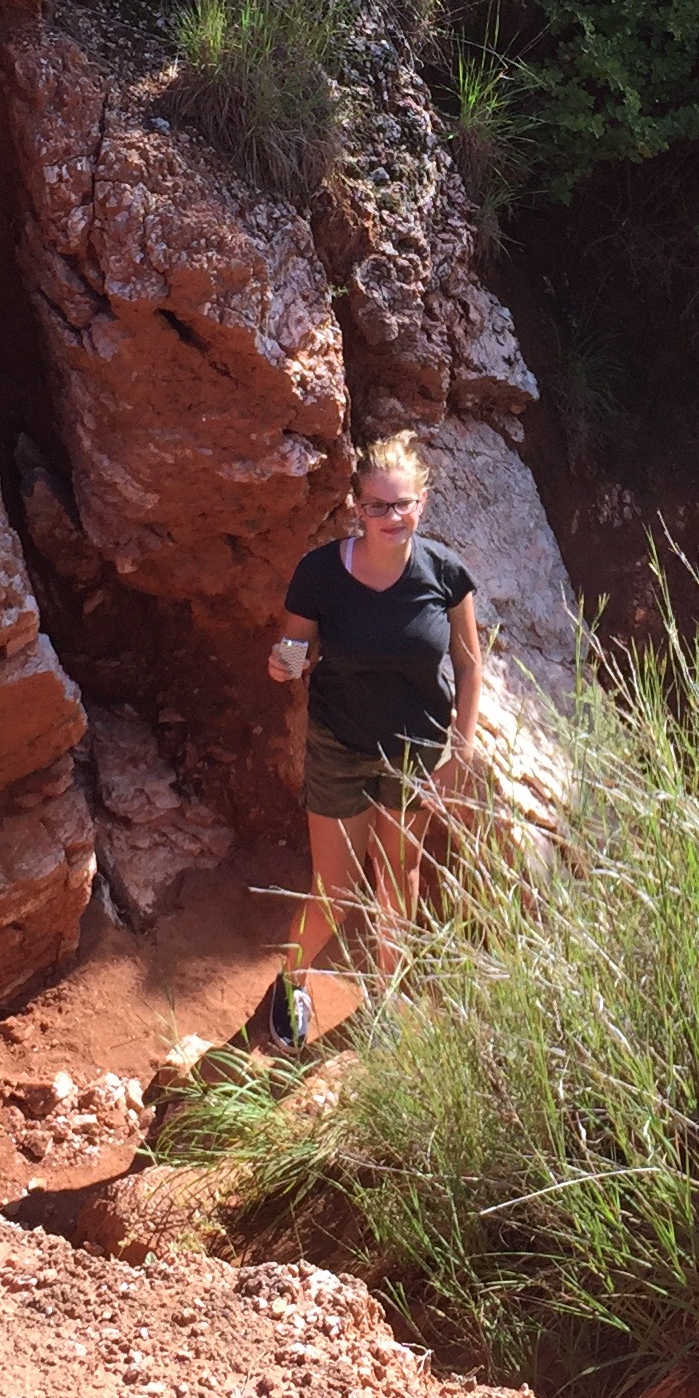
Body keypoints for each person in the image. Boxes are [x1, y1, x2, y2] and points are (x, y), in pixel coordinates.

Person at [261, 431, 483, 1044]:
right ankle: (292, 980)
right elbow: (295, 646)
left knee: (399, 877)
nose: (392, 516)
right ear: (357, 508)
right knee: (334, 887)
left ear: (423, 503)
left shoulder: (446, 575)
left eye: (403, 503)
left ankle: (385, 996)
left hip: (417, 751)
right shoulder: (320, 573)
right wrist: (285, 664)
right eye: (377, 506)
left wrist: (460, 751)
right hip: (341, 746)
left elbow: (468, 666)